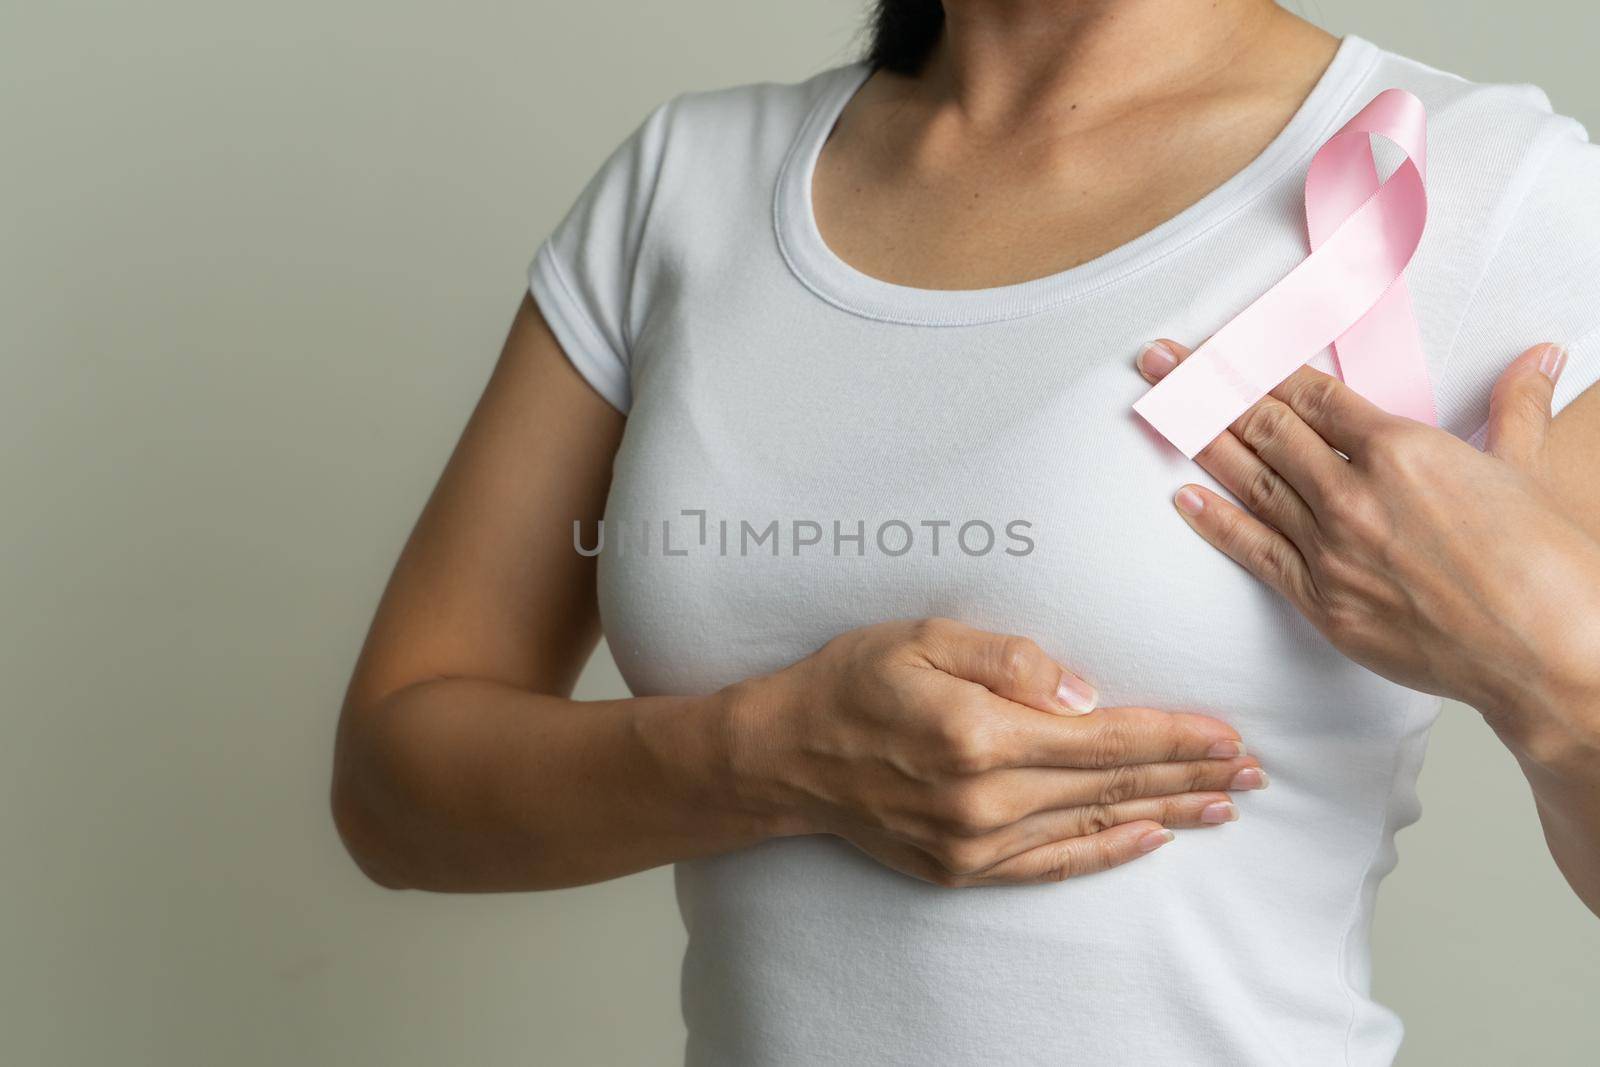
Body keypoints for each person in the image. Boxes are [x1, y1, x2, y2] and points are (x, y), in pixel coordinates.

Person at [330, 2, 1600, 1062]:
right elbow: (393, 791)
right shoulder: (687, 184)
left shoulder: (1476, 188)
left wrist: (1553, 662)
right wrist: (765, 756)